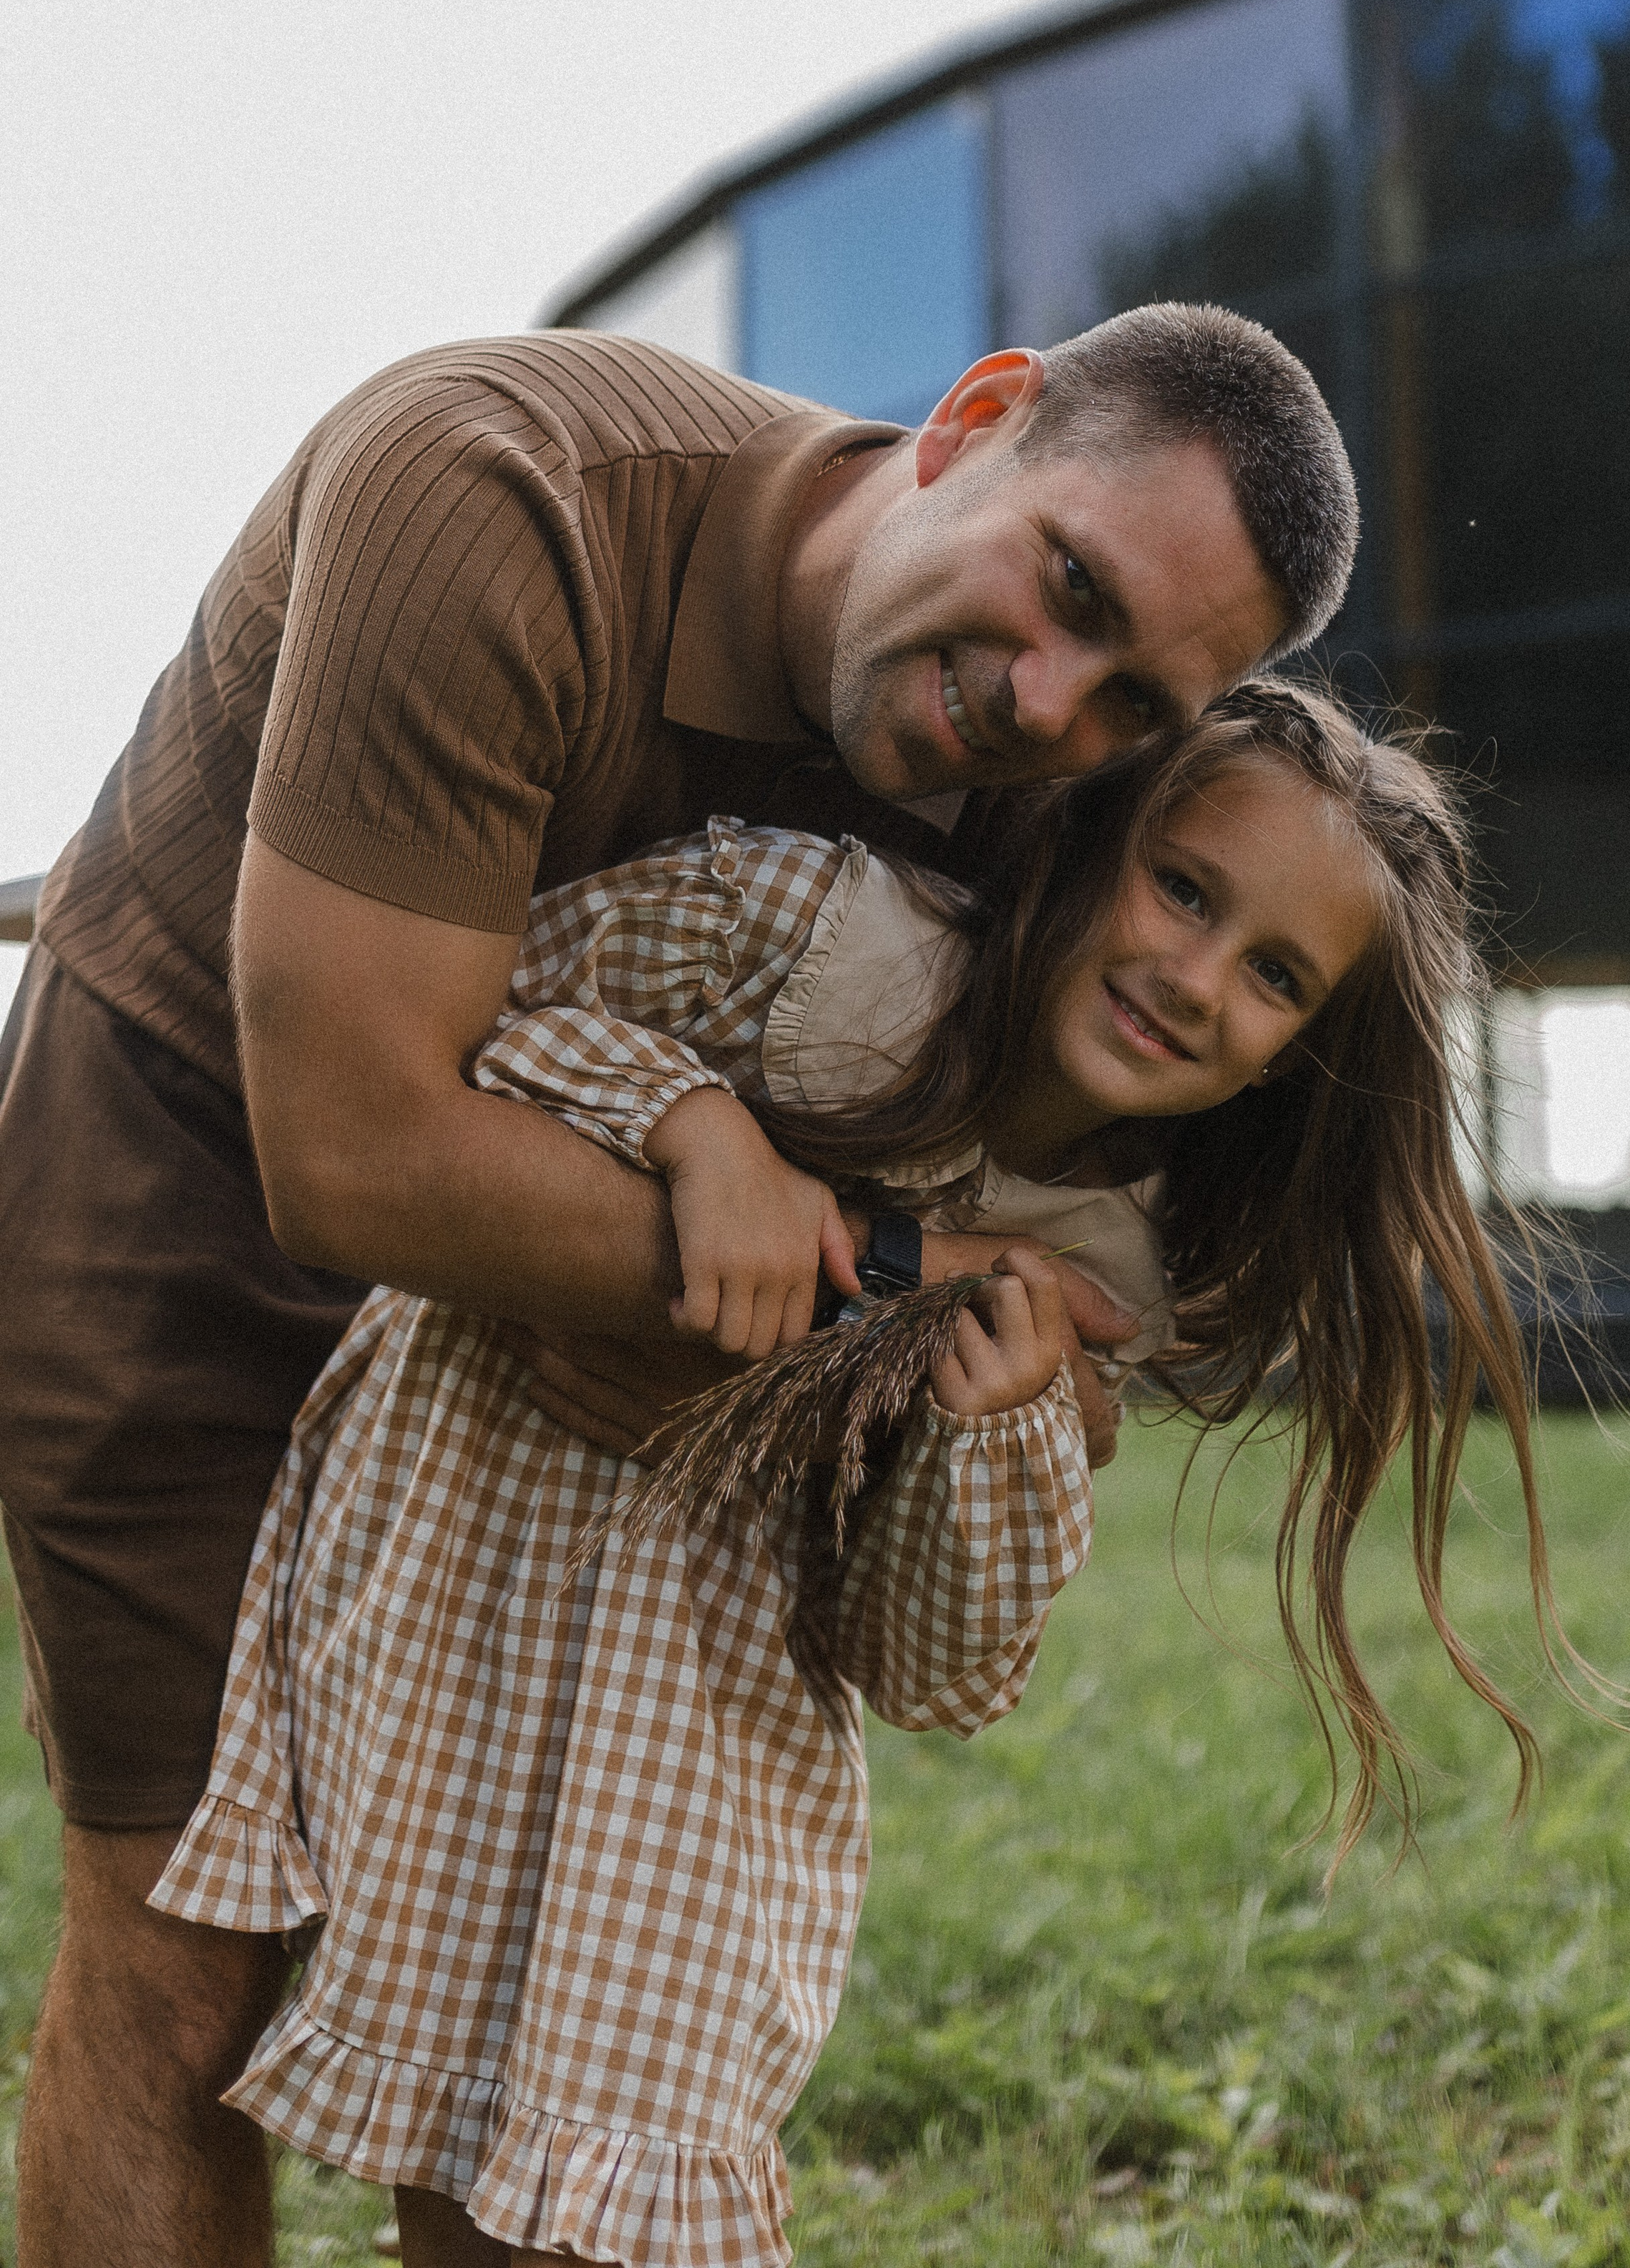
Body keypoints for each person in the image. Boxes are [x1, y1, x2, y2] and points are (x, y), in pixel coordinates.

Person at [0, 304, 1358, 2265]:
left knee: (525, 2025)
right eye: (1068, 585)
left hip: (591, 1367)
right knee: (184, 1958)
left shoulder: (1061, 785)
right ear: (976, 417)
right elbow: (356, 1149)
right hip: (197, 1158)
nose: (1049, 704)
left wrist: (935, 1334)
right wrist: (888, 1275)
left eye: (1137, 699)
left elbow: (1049, 1255)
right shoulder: (489, 492)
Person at [151, 681, 1556, 2268]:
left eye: (1275, 976)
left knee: (587, 2196)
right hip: (454, 1591)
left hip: (692, 1738)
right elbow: (453, 1034)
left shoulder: (1105, 1274)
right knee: (440, 2151)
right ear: (1095, 837)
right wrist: (692, 1123)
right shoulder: (818, 943)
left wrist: (986, 1439)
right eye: (1184, 890)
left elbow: (927, 1670)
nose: (1194, 976)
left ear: (1290, 1062)